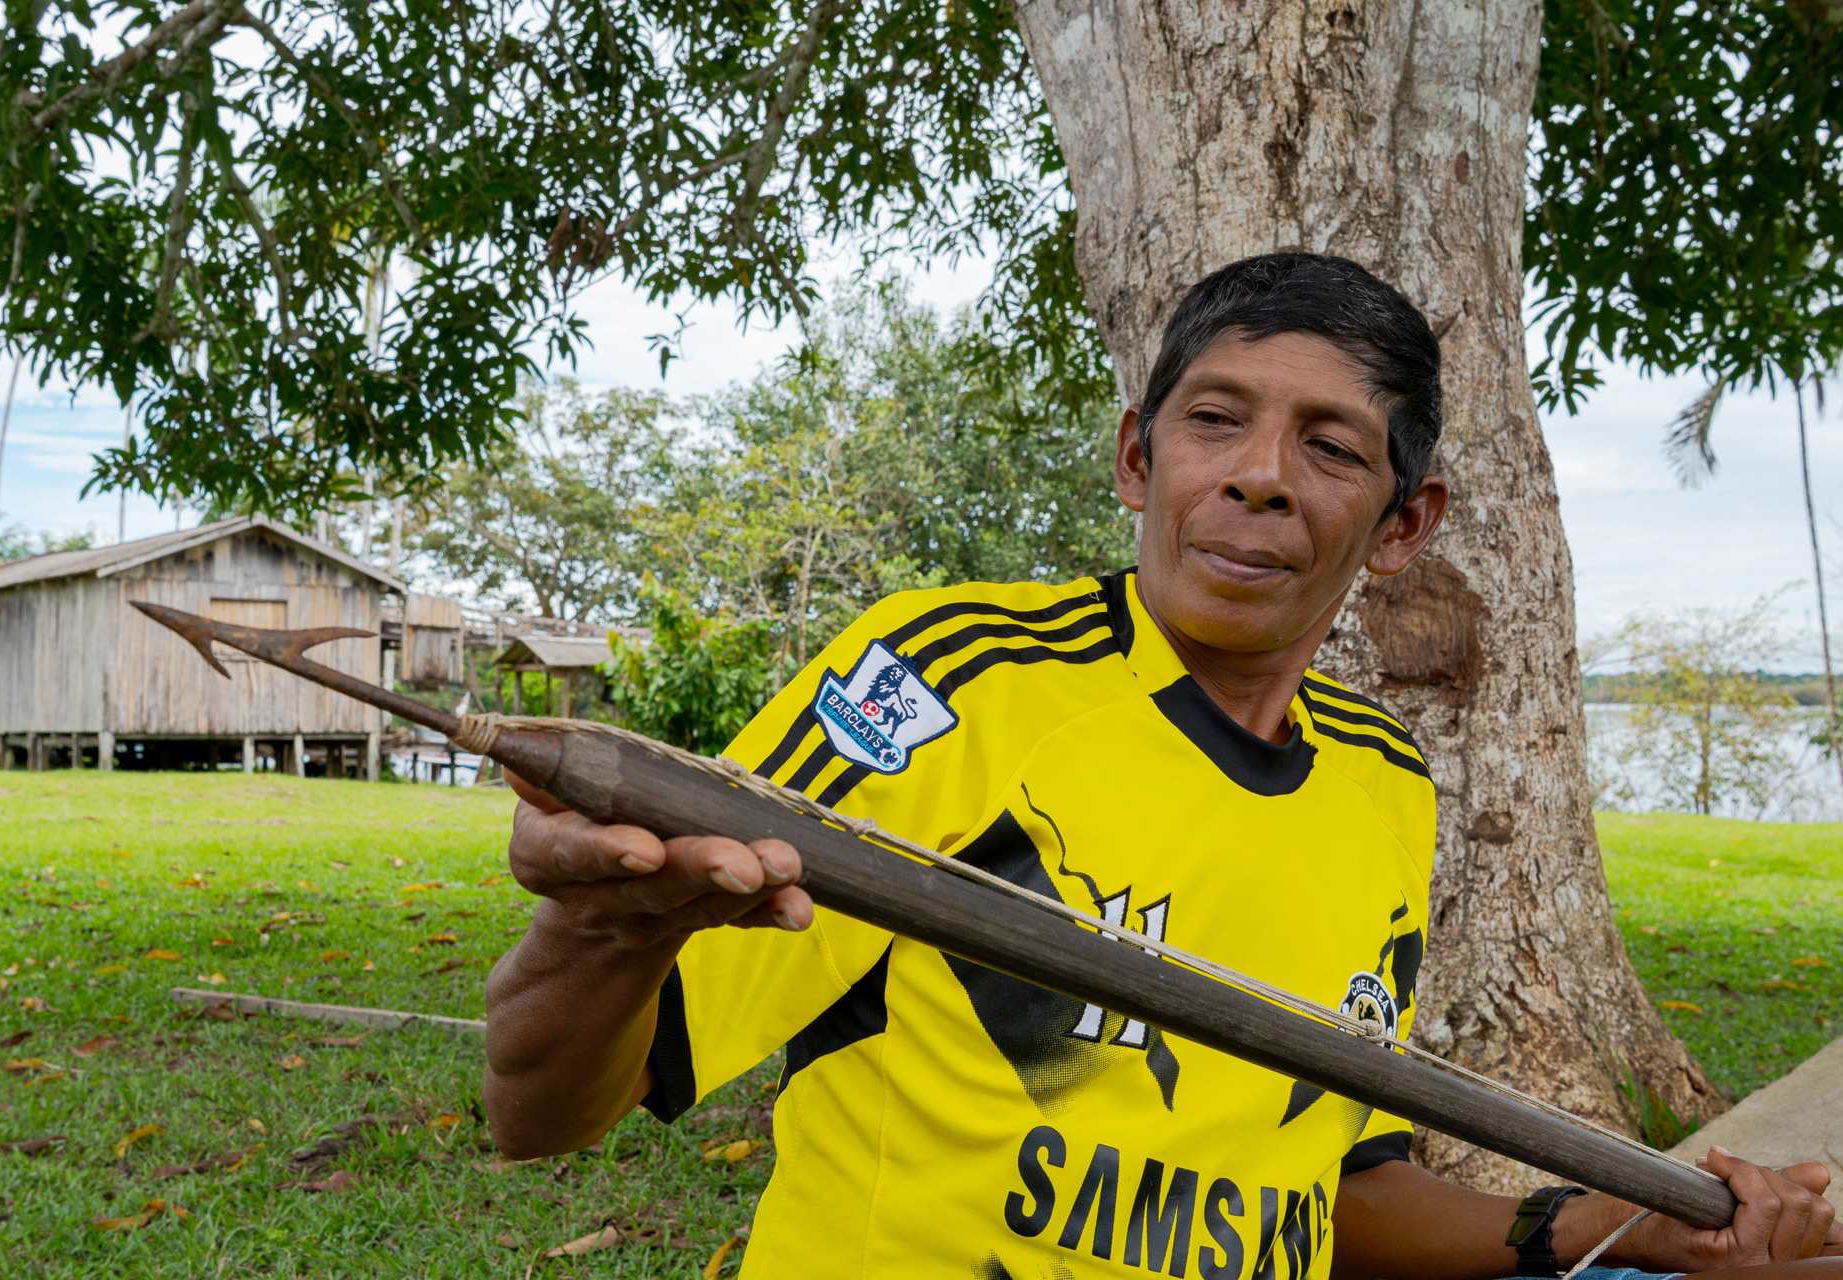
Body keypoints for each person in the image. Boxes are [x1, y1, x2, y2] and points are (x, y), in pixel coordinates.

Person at [482, 253, 1842, 1279]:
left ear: (1401, 524)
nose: (1258, 478)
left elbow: (1324, 1192)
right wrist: (601, 939)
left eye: (1329, 448)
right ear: (1138, 459)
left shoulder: (1383, 784)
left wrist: (1603, 1227)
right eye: (1215, 422)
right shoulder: (959, 683)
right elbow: (537, 1117)